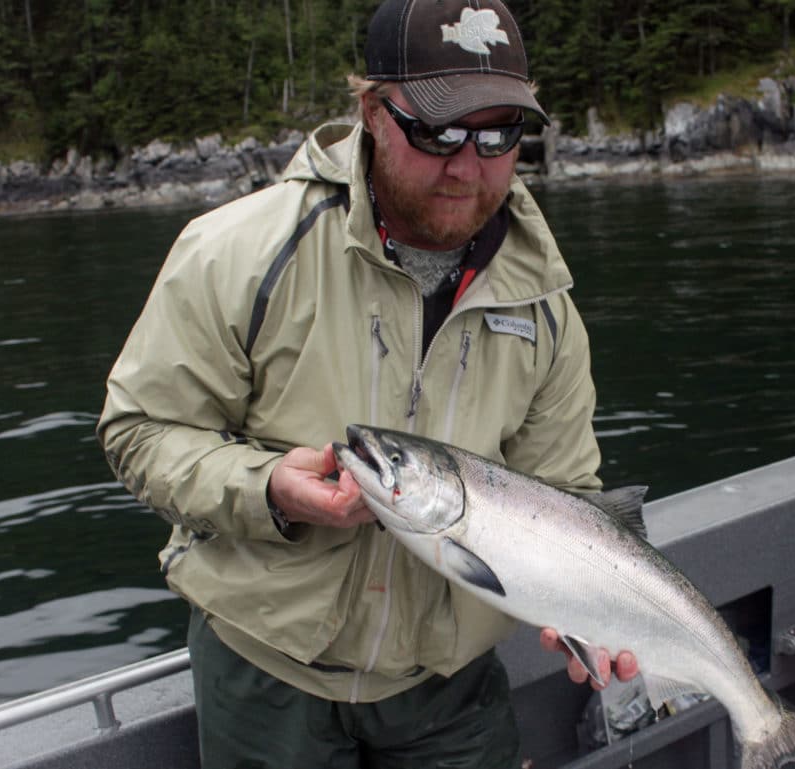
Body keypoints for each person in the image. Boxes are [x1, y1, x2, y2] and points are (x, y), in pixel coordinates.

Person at [98, 0, 637, 765]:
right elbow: (139, 430)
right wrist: (266, 487)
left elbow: (567, 492)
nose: (467, 163)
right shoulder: (238, 253)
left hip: (448, 686)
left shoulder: (547, 307)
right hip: (265, 671)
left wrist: (585, 608)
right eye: (438, 131)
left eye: (498, 135)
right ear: (372, 112)